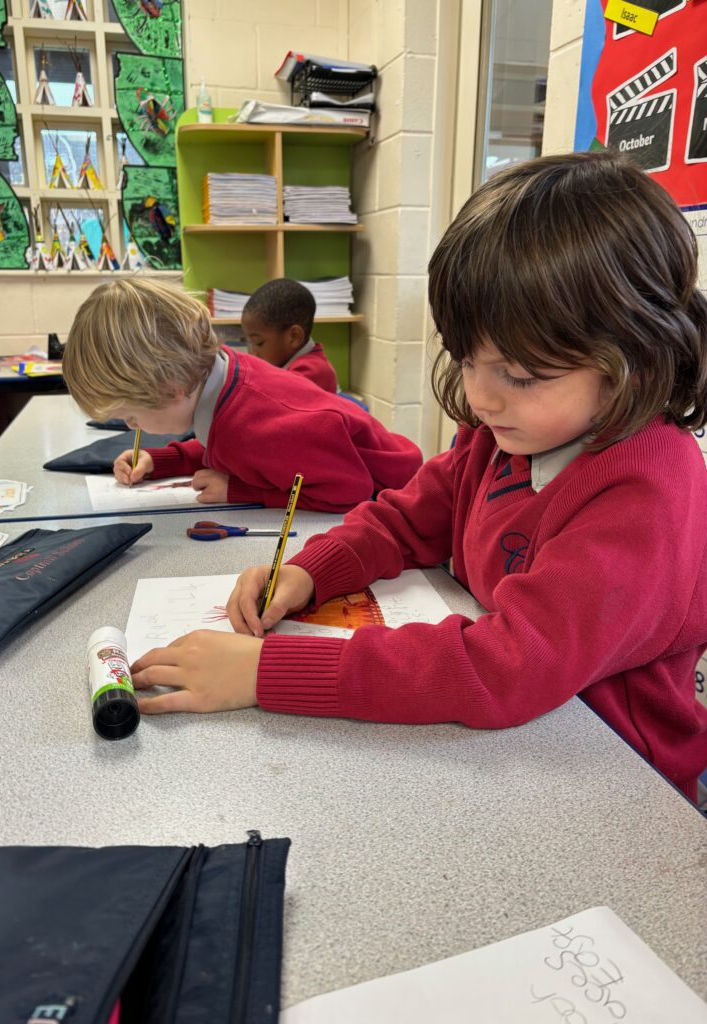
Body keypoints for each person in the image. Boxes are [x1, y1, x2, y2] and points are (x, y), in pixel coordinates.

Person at [127, 153, 707, 800]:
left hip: (618, 781)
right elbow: (405, 520)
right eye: (467, 360)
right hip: (520, 748)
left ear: (636, 356)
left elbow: (504, 668)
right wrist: (309, 571)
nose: (482, 398)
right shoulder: (505, 437)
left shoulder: (646, 491)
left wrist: (265, 671)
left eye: (519, 375)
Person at [62, 279, 421, 513]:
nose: (130, 425)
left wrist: (242, 491)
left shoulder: (257, 427)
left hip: (398, 501)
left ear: (173, 391)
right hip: (349, 476)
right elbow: (229, 449)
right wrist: (162, 461)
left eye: (130, 415)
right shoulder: (223, 376)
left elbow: (348, 490)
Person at [241, 278, 338, 393]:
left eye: (259, 343)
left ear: (294, 337)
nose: (252, 353)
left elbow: (265, 399)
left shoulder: (311, 372)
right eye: (249, 343)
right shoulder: (283, 363)